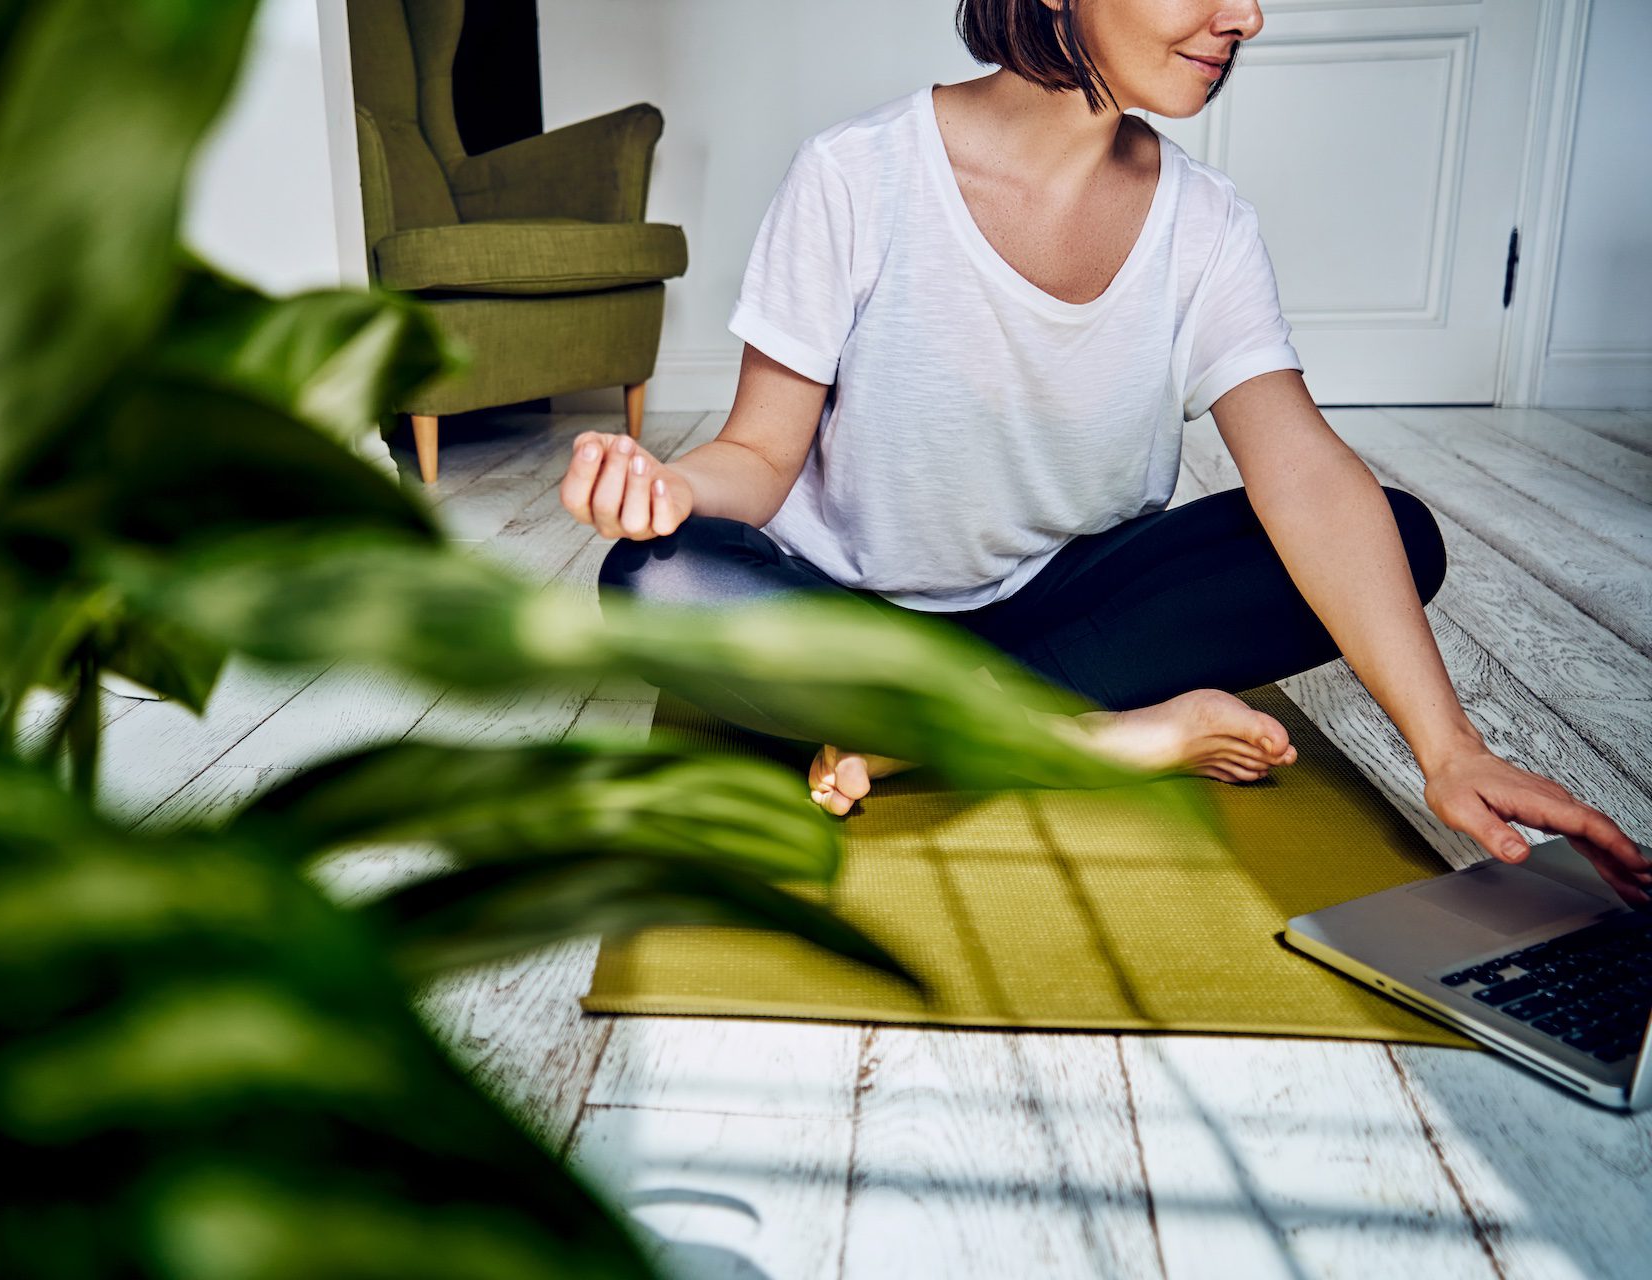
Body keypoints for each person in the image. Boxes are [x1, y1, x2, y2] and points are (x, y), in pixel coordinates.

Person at [559, 0, 1649, 904]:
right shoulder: (854, 175)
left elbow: (1303, 472)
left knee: (1395, 537)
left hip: (1067, 607)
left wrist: (1449, 747)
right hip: (857, 614)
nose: (1248, 17)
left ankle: (938, 730)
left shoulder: (1208, 224)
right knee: (657, 580)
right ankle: (1098, 741)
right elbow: (757, 454)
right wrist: (671, 486)